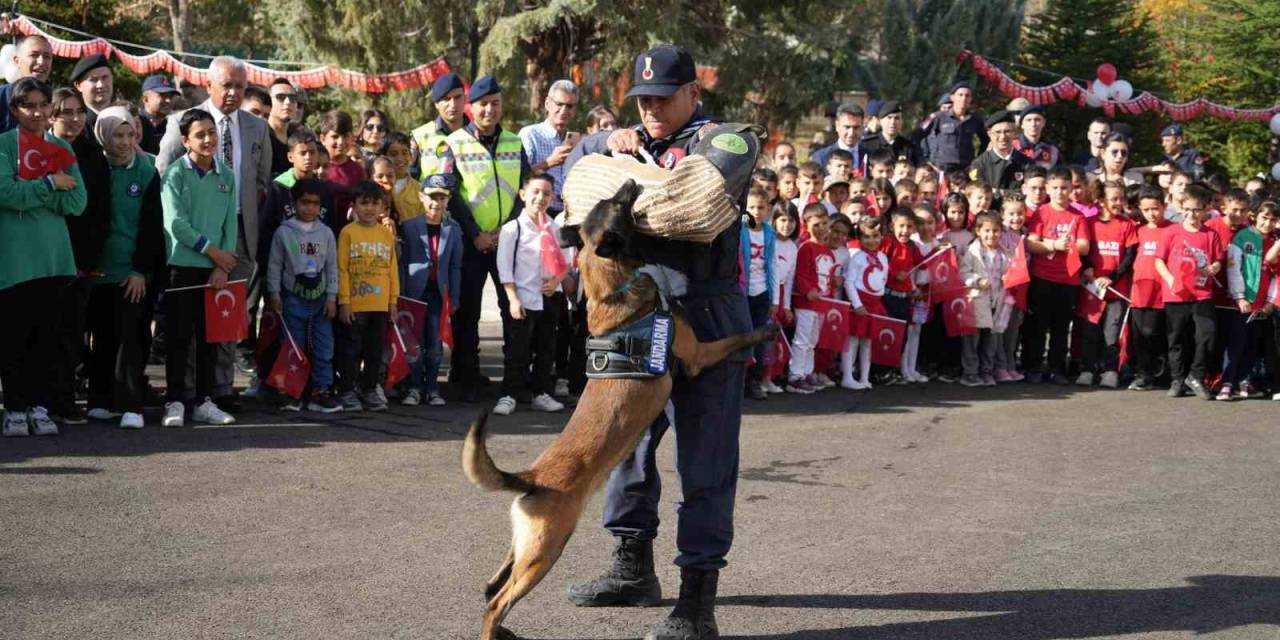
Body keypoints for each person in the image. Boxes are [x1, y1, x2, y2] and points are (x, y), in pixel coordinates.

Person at [562, 45, 757, 639]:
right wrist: (605, 147)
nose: (650, 110)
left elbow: (693, 203)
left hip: (703, 309)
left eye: (662, 98)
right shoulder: (623, 141)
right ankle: (631, 567)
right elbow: (573, 169)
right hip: (634, 312)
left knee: (705, 457)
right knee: (624, 443)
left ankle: (697, 600)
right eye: (642, 101)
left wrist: (619, 191)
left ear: (693, 94)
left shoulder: (726, 138)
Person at [158, 56, 273, 407]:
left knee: (227, 312)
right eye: (227, 85)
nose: (234, 93)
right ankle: (187, 388)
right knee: (190, 317)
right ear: (209, 85)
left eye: (240, 86)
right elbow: (163, 175)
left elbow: (260, 179)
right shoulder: (182, 122)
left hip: (238, 232)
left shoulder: (257, 127)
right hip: (193, 237)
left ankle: (220, 388)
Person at [0, 77, 86, 437]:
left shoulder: (62, 148)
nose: (36, 112)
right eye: (27, 105)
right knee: (15, 336)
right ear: (14, 109)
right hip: (16, 257)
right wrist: (50, 185)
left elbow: (77, 202)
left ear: (51, 108)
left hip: (55, 256)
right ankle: (16, 407)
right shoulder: (4, 146)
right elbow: (6, 194)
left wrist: (33, 194)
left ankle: (39, 405)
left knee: (48, 337)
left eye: (41, 104)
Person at [442, 75, 529, 402]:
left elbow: (524, 190)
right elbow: (451, 194)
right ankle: (465, 380)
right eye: (482, 104)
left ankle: (514, 383)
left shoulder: (514, 143)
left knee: (513, 311)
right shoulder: (454, 143)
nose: (489, 110)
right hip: (469, 243)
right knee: (467, 313)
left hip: (507, 240)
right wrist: (476, 235)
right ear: (470, 107)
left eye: (495, 103)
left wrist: (504, 231)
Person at [84, 106, 164, 429]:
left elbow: (151, 226)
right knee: (101, 336)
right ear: (103, 135)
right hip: (98, 269)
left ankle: (131, 404)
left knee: (131, 337)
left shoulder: (146, 171)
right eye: (118, 134)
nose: (125, 141)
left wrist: (140, 270)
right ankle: (100, 400)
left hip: (132, 271)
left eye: (130, 134)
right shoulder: (93, 168)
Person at [158, 109, 239, 428]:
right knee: (179, 338)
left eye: (211, 133)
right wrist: (212, 251)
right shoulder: (175, 173)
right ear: (185, 140)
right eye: (200, 134)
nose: (208, 139)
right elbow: (175, 224)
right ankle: (175, 400)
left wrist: (223, 263)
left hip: (215, 270)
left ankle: (205, 401)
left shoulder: (227, 176)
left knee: (210, 339)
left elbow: (230, 224)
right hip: (183, 266)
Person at [48, 86, 112, 425]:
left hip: (80, 258)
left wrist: (89, 258)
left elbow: (101, 211)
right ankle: (34, 400)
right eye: (65, 112)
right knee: (39, 330)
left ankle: (64, 399)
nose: (73, 119)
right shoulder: (39, 150)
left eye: (78, 112)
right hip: (40, 255)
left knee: (72, 332)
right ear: (51, 115)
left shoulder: (92, 154)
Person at [492, 173, 566, 415]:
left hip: (549, 296)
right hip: (522, 297)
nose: (540, 198)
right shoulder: (513, 228)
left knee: (546, 347)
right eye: (535, 192)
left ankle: (541, 393)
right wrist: (512, 299)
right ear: (523, 194)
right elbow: (504, 268)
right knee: (518, 349)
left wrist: (556, 281)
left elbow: (566, 261)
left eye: (546, 193)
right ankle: (509, 394)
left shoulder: (555, 228)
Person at [266, 177, 342, 413]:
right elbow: (275, 265)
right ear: (294, 203)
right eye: (305, 203)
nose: (310, 208)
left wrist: (332, 297)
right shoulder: (283, 232)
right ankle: (292, 392)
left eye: (315, 204)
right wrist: (274, 294)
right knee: (292, 345)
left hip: (320, 299)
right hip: (292, 297)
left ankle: (322, 391)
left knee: (324, 346)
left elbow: (332, 266)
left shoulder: (327, 233)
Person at [335, 181, 399, 412]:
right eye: (364, 203)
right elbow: (341, 269)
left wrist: (393, 300)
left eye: (375, 203)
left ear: (383, 206)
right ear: (354, 206)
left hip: (380, 305)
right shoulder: (347, 233)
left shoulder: (386, 234)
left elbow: (392, 269)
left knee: (374, 351)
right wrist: (344, 302)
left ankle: (370, 389)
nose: (370, 208)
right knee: (351, 350)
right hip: (355, 305)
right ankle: (347, 390)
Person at [399, 174, 462, 408]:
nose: (436, 202)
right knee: (413, 343)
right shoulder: (409, 226)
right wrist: (401, 296)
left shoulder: (453, 229)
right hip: (414, 294)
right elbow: (403, 263)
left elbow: (455, 266)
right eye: (432, 197)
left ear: (448, 200)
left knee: (435, 344)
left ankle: (433, 388)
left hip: (439, 295)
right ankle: (414, 387)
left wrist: (454, 297)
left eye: (442, 198)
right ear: (421, 197)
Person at [1155, 185, 1223, 400]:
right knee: (1176, 339)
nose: (1191, 214)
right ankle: (1177, 378)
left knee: (1207, 335)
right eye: (1187, 209)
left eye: (1196, 210)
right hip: (1176, 295)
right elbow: (1159, 261)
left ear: (1205, 210)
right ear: (1181, 208)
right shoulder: (1171, 232)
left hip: (1202, 295)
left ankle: (1196, 375)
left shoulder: (1210, 234)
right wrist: (1170, 279)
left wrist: (1214, 268)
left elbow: (1218, 261)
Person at [1024, 168, 1090, 384]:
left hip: (1068, 280)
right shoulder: (1041, 213)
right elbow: (1032, 243)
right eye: (1055, 188)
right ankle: (1033, 366)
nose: (1060, 192)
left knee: (1061, 328)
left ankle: (1057, 368)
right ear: (1048, 190)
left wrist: (1067, 245)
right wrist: (1053, 244)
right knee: (1038, 326)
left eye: (1064, 188)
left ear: (1071, 189)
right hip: (1042, 277)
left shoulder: (1078, 216)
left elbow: (1084, 247)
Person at [1077, 180, 1137, 388]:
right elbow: (1082, 249)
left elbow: (1129, 257)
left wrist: (1112, 276)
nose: (1119, 202)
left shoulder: (1127, 224)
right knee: (1090, 330)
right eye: (1114, 199)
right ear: (1102, 200)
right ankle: (1087, 369)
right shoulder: (1088, 222)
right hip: (1092, 289)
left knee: (1112, 333)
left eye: (1122, 198)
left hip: (1115, 289)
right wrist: (1087, 267)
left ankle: (1110, 371)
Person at [1222, 201, 1280, 400]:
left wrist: (1270, 302)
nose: (1268, 223)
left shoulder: (1274, 241)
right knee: (1236, 343)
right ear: (1255, 216)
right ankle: (1227, 382)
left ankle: (1242, 380)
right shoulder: (1242, 237)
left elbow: (1276, 276)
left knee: (1253, 345)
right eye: (1265, 218)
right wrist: (1239, 296)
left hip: (1262, 305)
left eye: (1273, 220)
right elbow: (1233, 267)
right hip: (1243, 302)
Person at [786, 204, 835, 394]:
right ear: (806, 225)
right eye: (816, 224)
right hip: (806, 303)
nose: (821, 228)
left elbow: (826, 279)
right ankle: (795, 376)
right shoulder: (806, 248)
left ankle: (807, 373)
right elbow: (800, 275)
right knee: (802, 340)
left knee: (813, 341)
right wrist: (808, 290)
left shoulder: (828, 251)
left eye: (824, 223)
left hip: (822, 304)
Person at [959, 213, 1011, 387]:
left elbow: (1009, 274)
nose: (992, 235)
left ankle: (986, 371)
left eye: (996, 231)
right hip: (976, 301)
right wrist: (976, 280)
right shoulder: (972, 252)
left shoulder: (1004, 254)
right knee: (972, 339)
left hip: (996, 301)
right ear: (978, 231)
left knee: (991, 341)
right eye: (987, 231)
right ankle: (970, 372)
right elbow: (963, 272)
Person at [1128, 186, 1171, 391]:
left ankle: (1160, 370)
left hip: (1162, 292)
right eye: (1146, 210)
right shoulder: (1138, 230)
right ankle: (1143, 374)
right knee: (1139, 335)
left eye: (1155, 208)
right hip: (1138, 291)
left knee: (1154, 332)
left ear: (1165, 206)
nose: (1151, 213)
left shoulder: (1173, 230)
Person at [842, 216, 887, 390]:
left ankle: (865, 377)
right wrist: (857, 304)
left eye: (876, 235)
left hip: (875, 303)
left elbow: (882, 279)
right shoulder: (857, 257)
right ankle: (847, 376)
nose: (872, 240)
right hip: (860, 303)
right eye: (867, 236)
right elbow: (849, 282)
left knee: (868, 341)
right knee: (852, 339)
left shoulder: (883, 257)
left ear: (881, 236)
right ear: (859, 238)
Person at [519, 79, 578, 211]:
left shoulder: (575, 141)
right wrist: (549, 163)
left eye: (569, 106)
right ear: (547, 104)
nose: (564, 110)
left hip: (569, 214)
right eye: (559, 104)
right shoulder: (531, 135)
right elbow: (520, 176)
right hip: (539, 212)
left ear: (575, 110)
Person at [741, 186, 776, 400]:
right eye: (752, 207)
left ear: (768, 209)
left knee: (760, 339)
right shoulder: (740, 230)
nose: (756, 211)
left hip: (762, 291)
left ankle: (754, 381)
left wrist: (774, 298)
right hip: (743, 291)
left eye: (761, 207)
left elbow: (772, 265)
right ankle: (740, 380)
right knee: (742, 337)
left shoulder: (769, 233)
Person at [995, 194, 1028, 382]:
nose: (1016, 218)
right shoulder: (1000, 233)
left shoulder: (1025, 234)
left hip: (1020, 289)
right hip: (1003, 289)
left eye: (1020, 213)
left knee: (1013, 329)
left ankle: (1010, 363)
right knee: (1000, 328)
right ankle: (999, 366)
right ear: (1003, 215)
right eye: (1012, 214)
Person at [411, 72, 469, 178]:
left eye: (457, 97)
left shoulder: (478, 135)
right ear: (436, 104)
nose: (453, 104)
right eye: (446, 99)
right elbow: (409, 178)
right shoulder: (420, 137)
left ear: (465, 98)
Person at [921, 82, 987, 172]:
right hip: (941, 167)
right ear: (952, 97)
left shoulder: (975, 119)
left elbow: (985, 140)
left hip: (965, 168)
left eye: (967, 96)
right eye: (960, 95)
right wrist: (927, 160)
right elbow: (918, 136)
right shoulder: (938, 117)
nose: (964, 98)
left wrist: (977, 161)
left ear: (971, 99)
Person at [0, 35, 54, 133]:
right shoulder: (2, 96)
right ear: (17, 60)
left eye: (47, 57)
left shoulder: (57, 99)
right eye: (34, 55)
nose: (41, 62)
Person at [318, 109, 364, 222]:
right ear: (323, 139)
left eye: (346, 136)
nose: (341, 142)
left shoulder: (357, 171)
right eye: (335, 136)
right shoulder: (314, 167)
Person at [969, 110, 1030, 191]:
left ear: (1015, 134)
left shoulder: (1026, 163)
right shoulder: (979, 164)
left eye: (1007, 131)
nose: (1003, 137)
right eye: (998, 132)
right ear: (989, 134)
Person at [859, 101, 918, 167]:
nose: (893, 122)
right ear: (880, 121)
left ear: (902, 122)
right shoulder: (867, 144)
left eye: (897, 118)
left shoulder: (908, 147)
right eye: (889, 118)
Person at [381, 131, 424, 222]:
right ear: (384, 157)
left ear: (411, 156)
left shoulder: (419, 190)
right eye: (393, 154)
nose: (400, 159)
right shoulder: (378, 186)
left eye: (404, 153)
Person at [810, 103, 865, 172]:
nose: (851, 133)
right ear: (837, 126)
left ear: (862, 127)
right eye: (847, 127)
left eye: (856, 127)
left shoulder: (870, 156)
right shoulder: (822, 157)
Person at [69, 53, 114, 130]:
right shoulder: (75, 123)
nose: (101, 85)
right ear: (78, 85)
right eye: (93, 80)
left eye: (105, 77)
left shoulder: (125, 118)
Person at [138, 74, 180, 154]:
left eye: (171, 97)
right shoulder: (137, 125)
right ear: (146, 99)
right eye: (163, 96)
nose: (168, 101)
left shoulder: (172, 126)